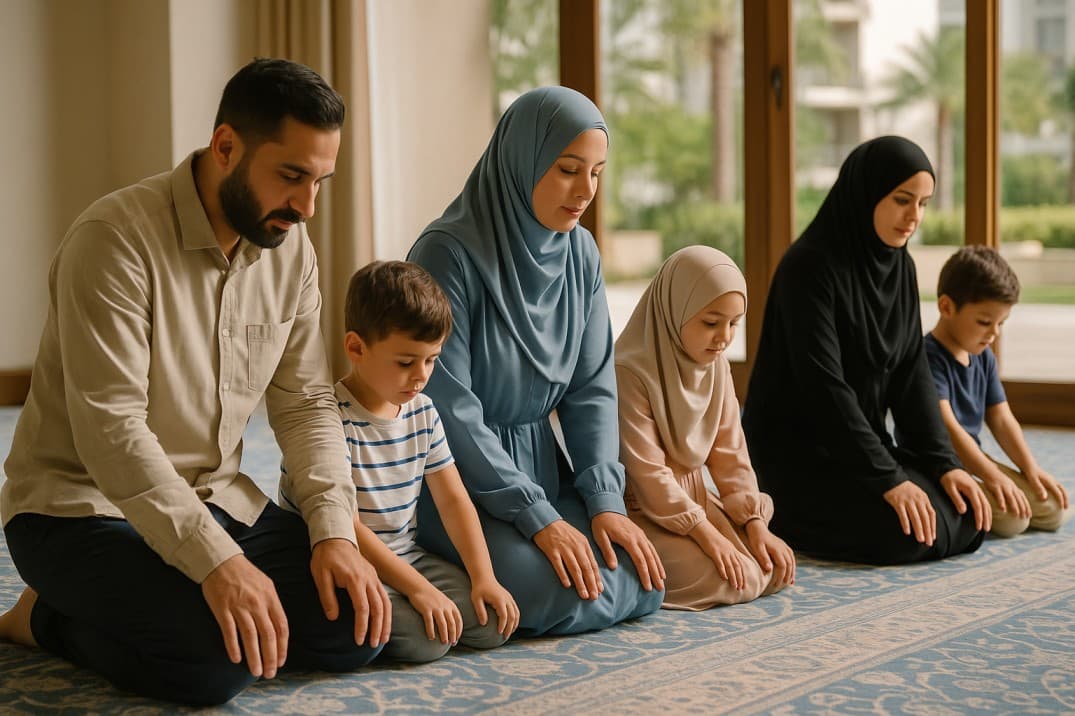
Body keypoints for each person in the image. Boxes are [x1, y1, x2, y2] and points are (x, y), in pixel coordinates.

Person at [0, 58, 388, 705]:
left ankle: (132, 602)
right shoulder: (112, 240)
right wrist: (218, 564)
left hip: (214, 496)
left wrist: (333, 532)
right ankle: (43, 616)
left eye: (320, 181)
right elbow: (112, 434)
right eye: (292, 176)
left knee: (355, 623)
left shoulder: (291, 250)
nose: (307, 206)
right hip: (79, 509)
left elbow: (305, 404)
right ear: (227, 146)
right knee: (213, 665)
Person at [406, 86, 665, 635]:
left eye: (597, 172)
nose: (585, 190)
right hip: (459, 482)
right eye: (569, 169)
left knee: (644, 577)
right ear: (523, 160)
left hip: (545, 469)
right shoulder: (446, 254)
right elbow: (449, 407)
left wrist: (605, 502)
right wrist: (535, 515)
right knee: (554, 592)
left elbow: (592, 389)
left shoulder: (581, 253)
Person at [742, 136, 992, 565]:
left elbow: (912, 375)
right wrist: (888, 479)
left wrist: (943, 464)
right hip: (798, 461)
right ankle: (782, 518)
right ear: (867, 193)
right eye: (902, 200)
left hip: (861, 448)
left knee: (967, 515)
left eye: (924, 203)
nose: (914, 216)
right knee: (904, 532)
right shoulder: (809, 267)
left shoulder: (900, 267)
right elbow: (824, 389)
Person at [280, 260, 519, 662]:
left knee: (490, 621)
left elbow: (454, 501)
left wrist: (484, 577)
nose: (421, 376)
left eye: (431, 360)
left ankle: (420, 604)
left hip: (405, 553)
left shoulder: (423, 412)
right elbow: (348, 527)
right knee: (426, 639)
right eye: (406, 362)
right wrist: (419, 590)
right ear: (356, 348)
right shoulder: (327, 421)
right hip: (349, 557)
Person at [615, 246, 795, 610]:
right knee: (731, 581)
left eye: (733, 323)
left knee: (769, 568)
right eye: (711, 323)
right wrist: (708, 537)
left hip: (697, 501)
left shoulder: (717, 367)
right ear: (675, 308)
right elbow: (649, 475)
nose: (724, 337)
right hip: (644, 509)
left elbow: (731, 456)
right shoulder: (629, 371)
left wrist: (756, 524)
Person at [922, 245, 1069, 537]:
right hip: (939, 463)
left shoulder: (983, 355)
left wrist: (1030, 470)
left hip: (974, 458)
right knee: (1013, 520)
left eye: (1001, 323)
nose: (994, 333)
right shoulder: (927, 357)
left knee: (1052, 509)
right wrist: (992, 476)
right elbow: (949, 430)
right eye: (984, 322)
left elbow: (1002, 419)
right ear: (946, 307)